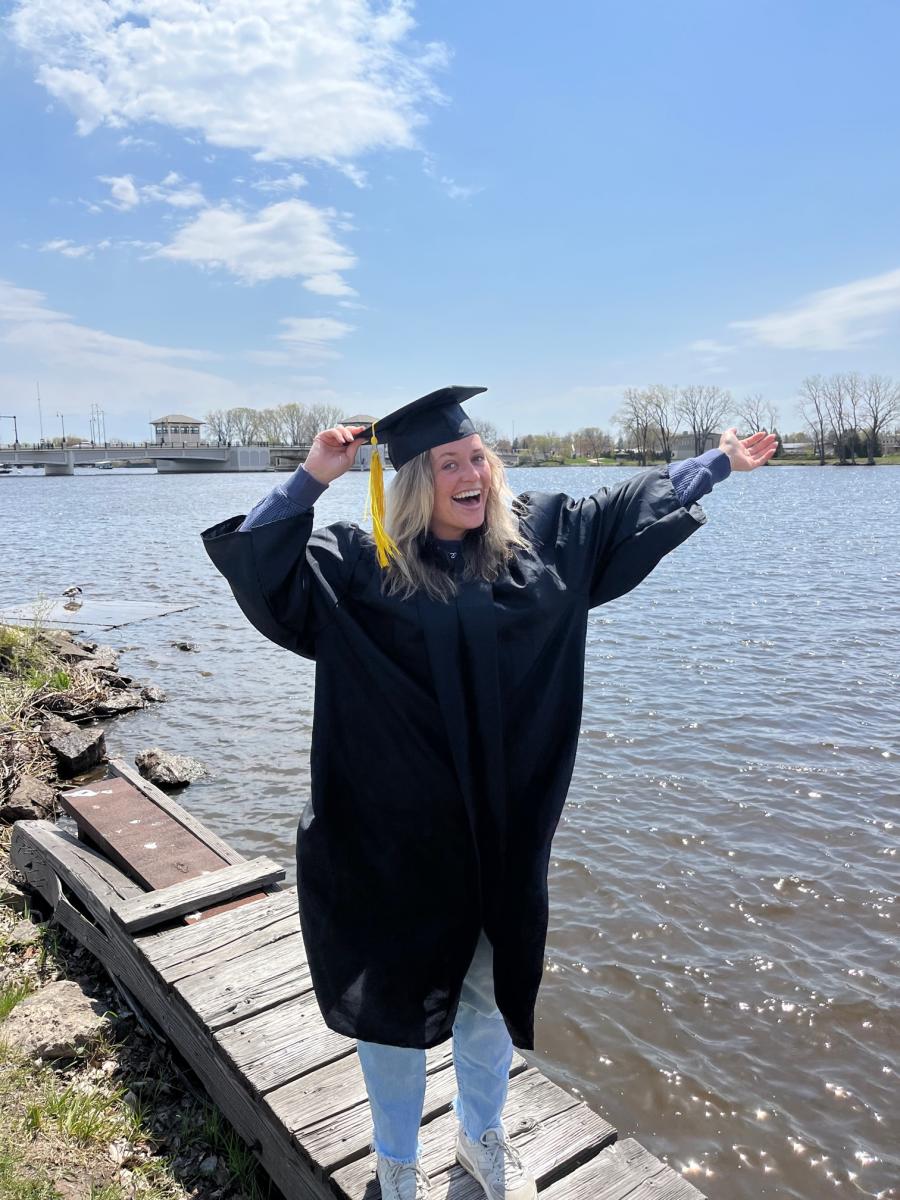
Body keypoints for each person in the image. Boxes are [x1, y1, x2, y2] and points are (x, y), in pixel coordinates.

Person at [201, 386, 776, 1200]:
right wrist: (311, 476)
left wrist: (721, 461)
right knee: (390, 1011)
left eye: (477, 457)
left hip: (502, 841)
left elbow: (628, 507)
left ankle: (482, 1142)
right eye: (448, 464)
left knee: (486, 997)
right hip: (391, 843)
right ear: (410, 483)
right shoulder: (361, 570)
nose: (472, 473)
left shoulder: (537, 543)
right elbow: (263, 568)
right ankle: (395, 1164)